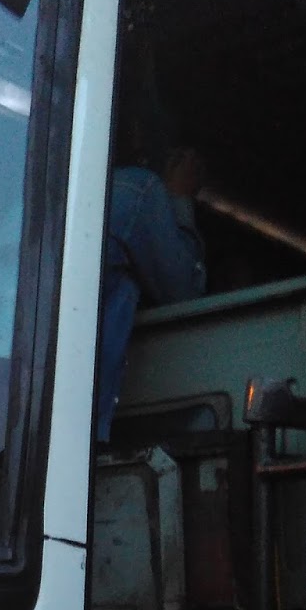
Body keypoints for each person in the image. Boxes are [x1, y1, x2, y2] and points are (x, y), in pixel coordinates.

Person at [96, 147, 206, 442]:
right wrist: (179, 197)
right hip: (81, 403)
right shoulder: (138, 188)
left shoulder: (42, 188)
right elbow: (185, 293)